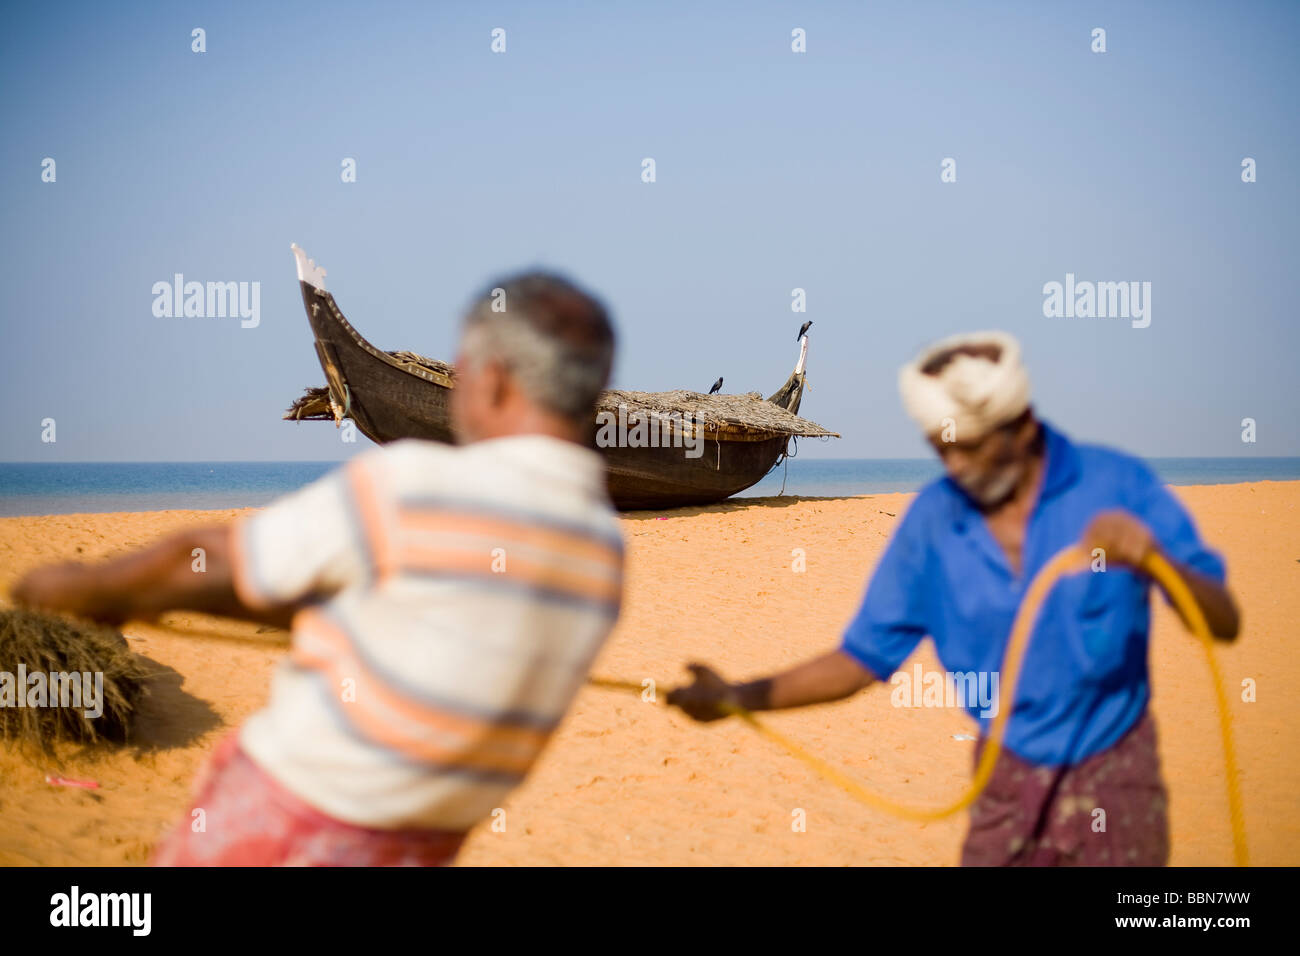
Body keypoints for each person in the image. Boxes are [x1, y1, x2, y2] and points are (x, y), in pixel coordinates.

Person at [13, 271, 624, 866]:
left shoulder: (418, 484)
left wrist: (89, 586)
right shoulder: (602, 550)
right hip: (425, 847)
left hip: (289, 822)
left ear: (492, 379)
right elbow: (417, 619)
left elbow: (215, 561)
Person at [668, 331, 1239, 866]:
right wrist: (737, 696)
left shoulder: (1117, 486)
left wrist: (1157, 561)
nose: (957, 467)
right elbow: (858, 662)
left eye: (973, 448)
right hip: (1004, 779)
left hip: (1118, 781)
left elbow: (1224, 622)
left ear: (1022, 425)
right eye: (944, 450)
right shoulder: (934, 522)